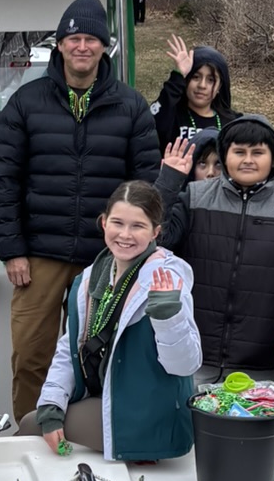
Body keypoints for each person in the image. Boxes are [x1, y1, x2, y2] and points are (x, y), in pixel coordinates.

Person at [0, 0, 161, 421]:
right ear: (60, 44)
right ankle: (30, 432)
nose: (82, 46)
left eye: (91, 39)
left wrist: (136, 252)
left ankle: (91, 433)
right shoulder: (26, 102)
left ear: (104, 46)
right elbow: (5, 179)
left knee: (101, 357)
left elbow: (146, 187)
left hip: (107, 258)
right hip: (38, 257)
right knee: (30, 355)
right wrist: (12, 249)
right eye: (74, 38)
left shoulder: (132, 106)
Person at [157, 115, 274, 382]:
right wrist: (168, 183)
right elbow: (159, 239)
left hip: (259, 361)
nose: (248, 160)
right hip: (194, 356)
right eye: (239, 152)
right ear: (225, 156)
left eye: (258, 152)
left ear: (273, 158)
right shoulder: (195, 196)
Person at [35, 180, 202, 461]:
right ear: (103, 223)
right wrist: (51, 404)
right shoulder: (92, 276)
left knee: (29, 429)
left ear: (155, 232)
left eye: (138, 226)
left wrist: (167, 318)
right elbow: (69, 348)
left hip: (149, 420)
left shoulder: (166, 279)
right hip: (110, 401)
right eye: (117, 223)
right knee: (41, 422)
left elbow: (185, 365)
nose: (125, 234)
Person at [151, 34, 234, 150]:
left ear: (220, 86)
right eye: (195, 77)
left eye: (211, 80)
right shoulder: (171, 116)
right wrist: (178, 76)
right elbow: (154, 118)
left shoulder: (232, 123)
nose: (202, 85)